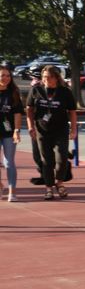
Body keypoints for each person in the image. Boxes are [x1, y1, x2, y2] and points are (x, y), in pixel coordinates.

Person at [25, 65, 77, 200]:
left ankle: (59, 183)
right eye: (44, 77)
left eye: (49, 77)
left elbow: (72, 112)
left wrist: (74, 129)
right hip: (42, 130)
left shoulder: (65, 92)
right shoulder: (36, 90)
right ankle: (49, 188)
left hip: (61, 130)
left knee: (62, 158)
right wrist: (30, 127)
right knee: (46, 160)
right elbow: (29, 110)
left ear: (56, 77)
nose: (46, 79)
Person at [0, 67, 25, 201]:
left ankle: (12, 191)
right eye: (2, 75)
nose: (5, 78)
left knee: (9, 162)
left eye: (7, 76)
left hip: (9, 132)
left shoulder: (13, 93)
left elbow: (17, 113)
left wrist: (17, 130)